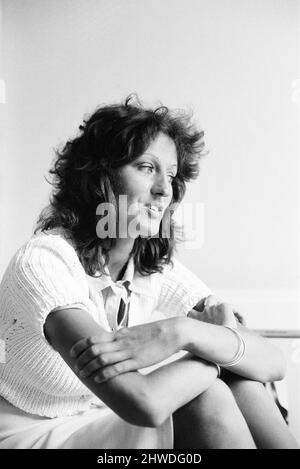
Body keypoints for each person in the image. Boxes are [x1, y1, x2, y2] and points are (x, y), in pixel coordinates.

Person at [0, 96, 298, 449]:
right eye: (146, 167)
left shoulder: (150, 266)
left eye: (170, 175)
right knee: (210, 392)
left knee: (243, 382)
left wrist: (182, 332)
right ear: (100, 175)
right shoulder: (44, 263)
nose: (164, 189)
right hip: (35, 431)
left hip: (98, 416)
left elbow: (273, 363)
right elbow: (143, 402)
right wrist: (209, 346)